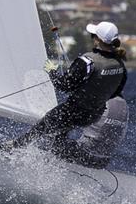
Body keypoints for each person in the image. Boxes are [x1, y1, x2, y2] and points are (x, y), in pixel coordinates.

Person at [13, 21, 128, 153]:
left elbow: (64, 85)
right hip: (94, 114)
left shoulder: (88, 61)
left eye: (93, 35)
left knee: (41, 127)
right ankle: (61, 155)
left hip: (73, 112)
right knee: (61, 131)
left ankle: (15, 148)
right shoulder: (120, 65)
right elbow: (115, 91)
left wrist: (52, 71)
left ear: (97, 40)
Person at [51, 95, 129, 169]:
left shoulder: (97, 98)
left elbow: (67, 119)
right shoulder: (124, 104)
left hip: (85, 156)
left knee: (52, 138)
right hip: (104, 161)